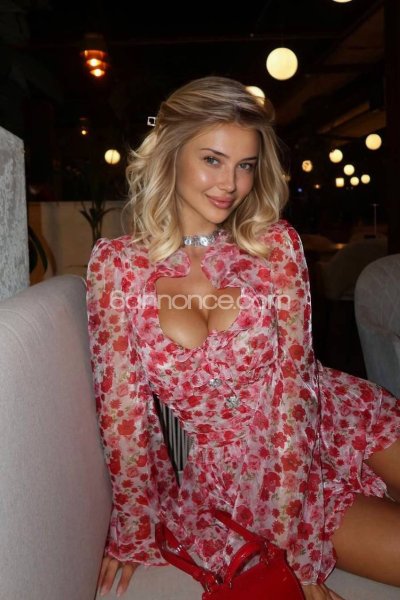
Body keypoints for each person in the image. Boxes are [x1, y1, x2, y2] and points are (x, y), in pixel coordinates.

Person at [86, 76, 400, 600]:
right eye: (212, 160)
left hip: (335, 417)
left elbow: (296, 393)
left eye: (245, 165)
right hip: (241, 479)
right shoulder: (116, 267)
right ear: (171, 153)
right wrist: (134, 528)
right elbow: (123, 415)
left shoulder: (276, 246)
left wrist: (296, 545)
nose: (230, 183)